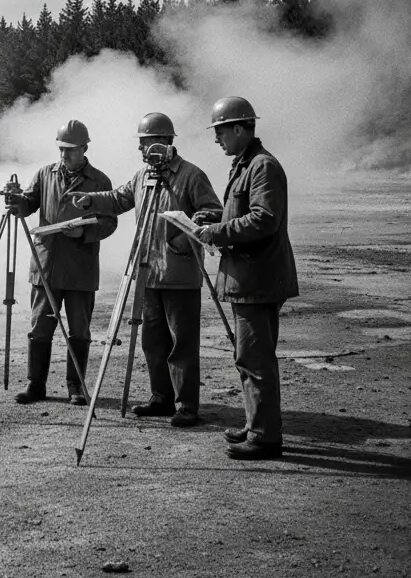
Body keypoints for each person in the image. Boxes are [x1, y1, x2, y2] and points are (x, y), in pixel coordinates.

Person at [70, 112, 222, 427]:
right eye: (140, 145)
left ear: (165, 142)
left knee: (182, 343)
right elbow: (118, 199)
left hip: (180, 275)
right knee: (152, 341)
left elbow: (214, 211)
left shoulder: (191, 176)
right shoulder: (142, 177)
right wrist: (90, 201)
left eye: (146, 143)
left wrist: (188, 230)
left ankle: (187, 405)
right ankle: (161, 398)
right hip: (148, 274)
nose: (142, 151)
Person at [194, 96, 299, 460]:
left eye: (221, 131)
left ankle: (266, 437)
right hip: (247, 278)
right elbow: (244, 215)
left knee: (256, 360)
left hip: (258, 279)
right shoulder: (246, 164)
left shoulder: (262, 166)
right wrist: (215, 225)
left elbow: (263, 219)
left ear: (240, 128)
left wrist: (218, 233)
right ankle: (256, 424)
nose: (217, 139)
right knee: (248, 358)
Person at [5, 120, 117, 406]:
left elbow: (109, 222)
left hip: (80, 267)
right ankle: (36, 385)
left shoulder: (100, 182)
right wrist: (17, 201)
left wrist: (85, 232)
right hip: (47, 265)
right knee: (40, 328)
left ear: (84, 148)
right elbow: (30, 202)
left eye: (69, 149)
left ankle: (76, 386)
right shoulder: (45, 173)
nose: (64, 155)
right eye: (61, 149)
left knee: (79, 331)